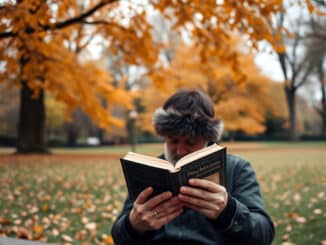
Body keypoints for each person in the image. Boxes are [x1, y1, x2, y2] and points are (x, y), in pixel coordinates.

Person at [111, 89, 274, 245]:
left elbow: (264, 234)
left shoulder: (237, 169)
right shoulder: (150, 170)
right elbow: (119, 237)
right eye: (173, 141)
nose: (180, 150)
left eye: (190, 142)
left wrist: (228, 212)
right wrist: (133, 225)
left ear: (206, 140)